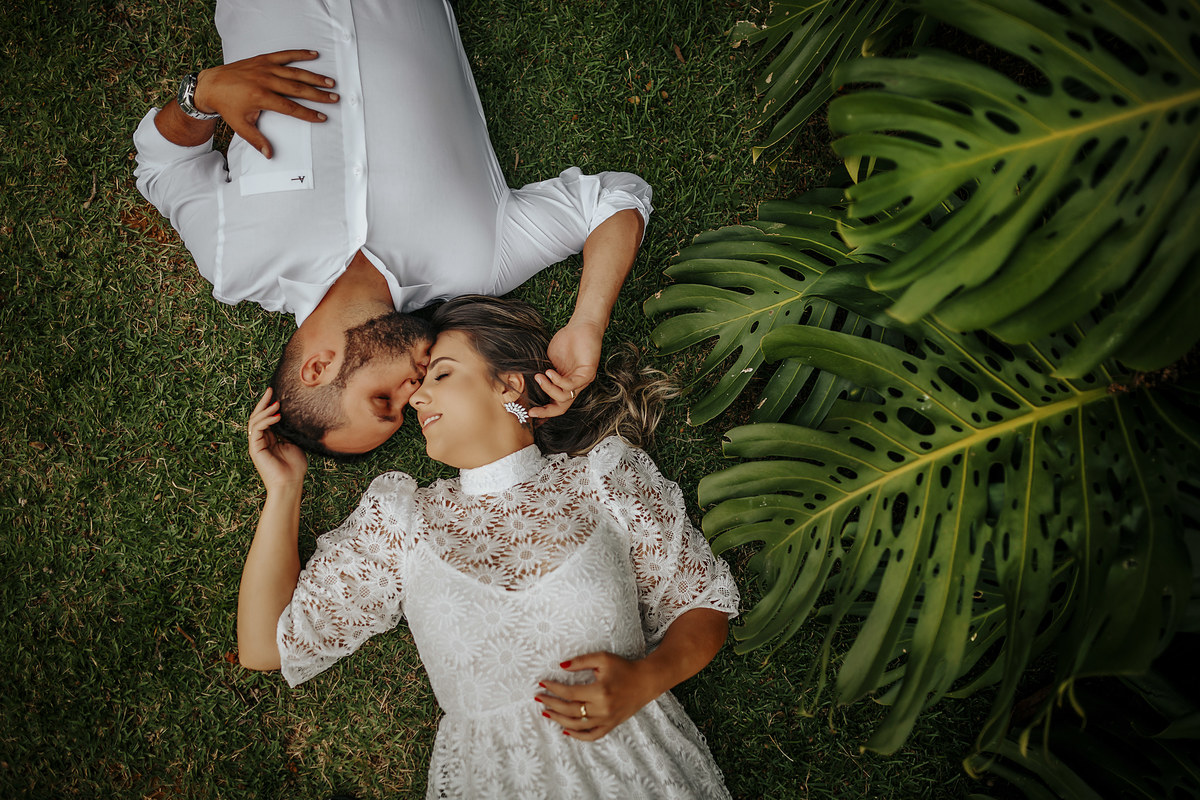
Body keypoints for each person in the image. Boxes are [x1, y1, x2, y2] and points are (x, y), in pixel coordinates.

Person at [238, 296, 740, 798]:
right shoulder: (401, 524)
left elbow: (702, 603)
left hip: (637, 768)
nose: (415, 399)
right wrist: (283, 492)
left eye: (440, 375)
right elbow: (263, 647)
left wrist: (647, 679)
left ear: (509, 384)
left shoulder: (603, 479)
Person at [133, 0, 653, 456]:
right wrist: (588, 322)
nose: (414, 392)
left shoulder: (237, 265)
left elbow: (161, 169)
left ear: (317, 368)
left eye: (383, 400)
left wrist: (200, 95)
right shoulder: (477, 263)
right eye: (405, 410)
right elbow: (616, 199)